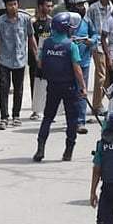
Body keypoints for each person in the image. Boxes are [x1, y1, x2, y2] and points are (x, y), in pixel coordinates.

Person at [34, 12, 89, 162]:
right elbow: (77, 69)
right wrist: (83, 88)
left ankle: (40, 147)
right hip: (69, 87)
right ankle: (68, 150)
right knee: (72, 119)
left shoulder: (47, 43)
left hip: (52, 86)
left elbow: (39, 64)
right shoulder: (71, 46)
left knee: (48, 117)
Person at [0, 0, 32, 129]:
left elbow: (31, 38)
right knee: (3, 87)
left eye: (15, 4)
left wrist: (37, 55)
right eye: (10, 5)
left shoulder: (25, 19)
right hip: (5, 60)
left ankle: (16, 115)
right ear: (5, 6)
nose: (13, 7)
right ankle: (3, 117)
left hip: (20, 59)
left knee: (18, 88)